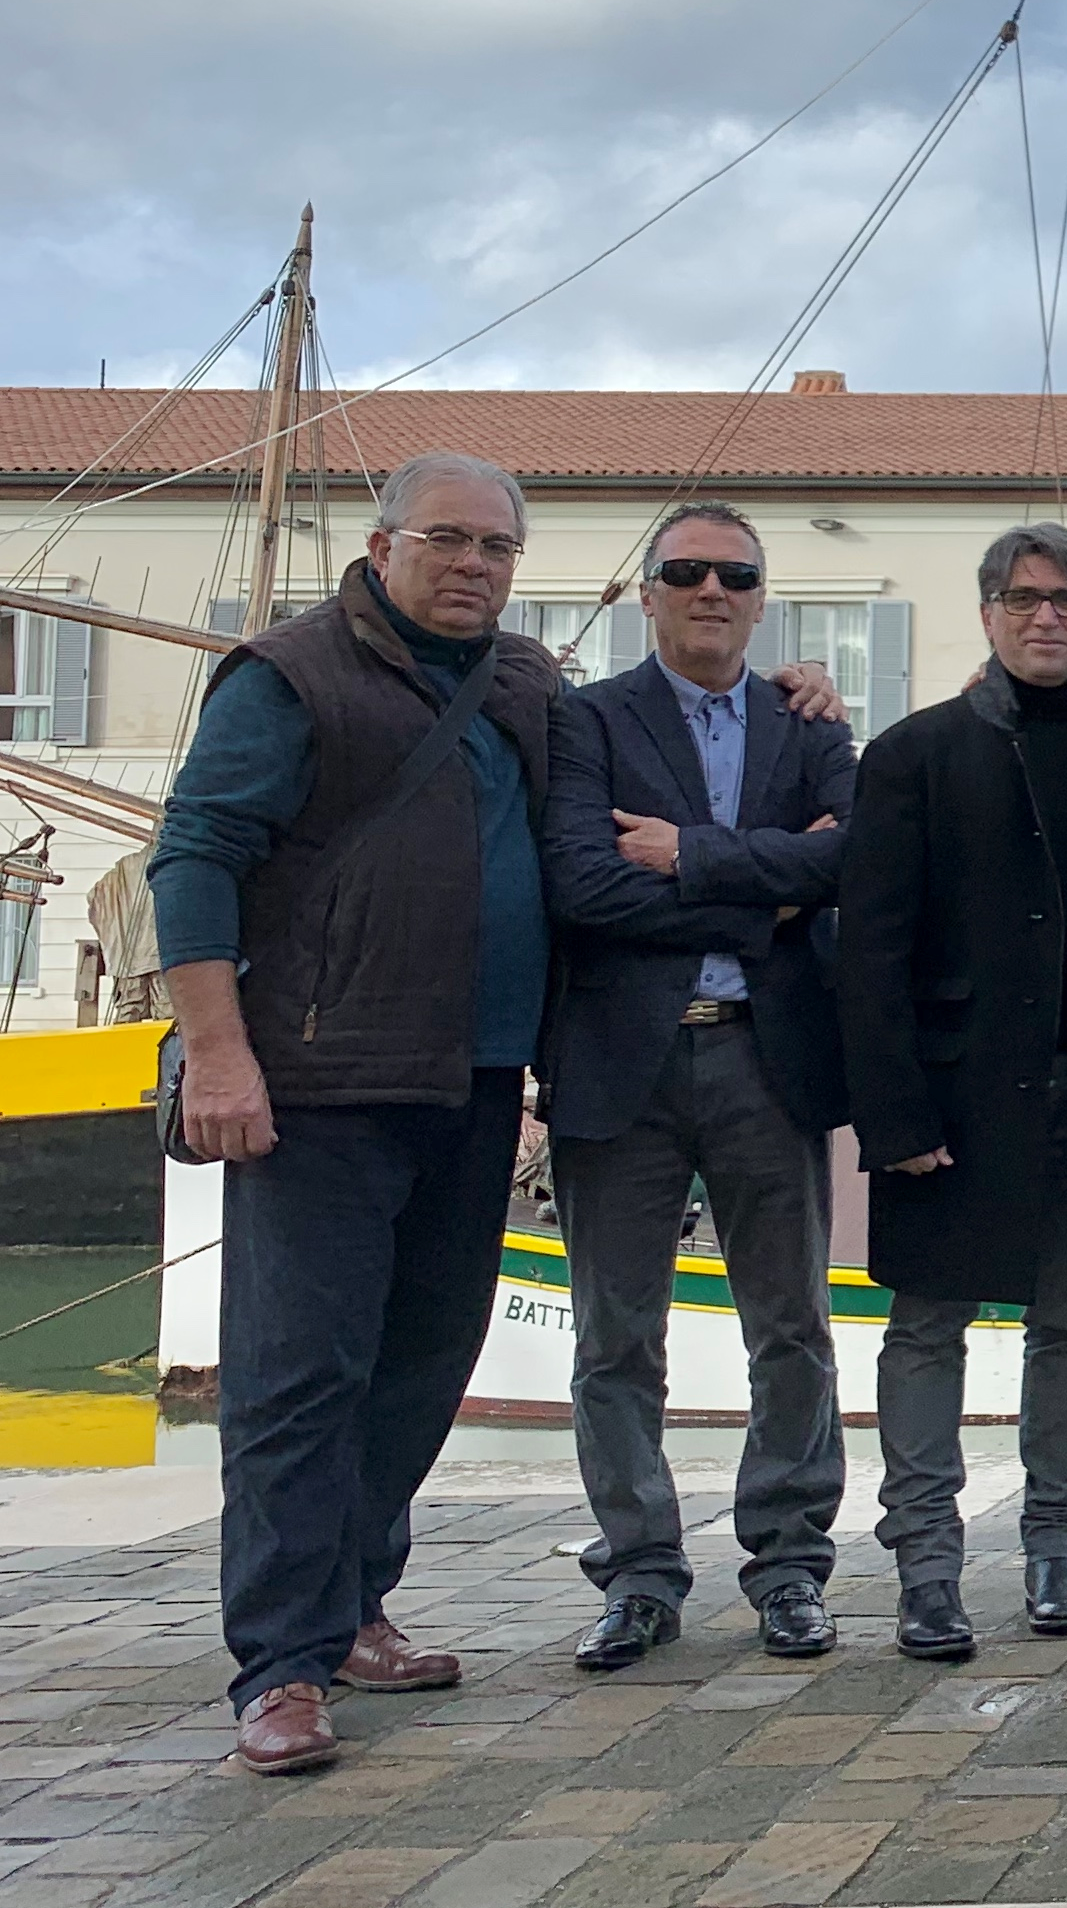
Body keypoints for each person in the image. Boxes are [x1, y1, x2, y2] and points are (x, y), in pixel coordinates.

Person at [153, 453, 566, 1775]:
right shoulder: (290, 674)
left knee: (423, 1364)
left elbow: (635, 769)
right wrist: (219, 1057)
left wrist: (800, 696)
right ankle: (276, 1666)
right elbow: (197, 856)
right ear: (383, 545)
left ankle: (350, 1607)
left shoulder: (522, 681)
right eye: (447, 540)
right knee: (297, 1376)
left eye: (495, 547)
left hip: (475, 1074)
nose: (472, 566)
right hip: (320, 1081)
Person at [838, 522, 1067, 1660]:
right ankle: (928, 1565)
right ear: (988, 611)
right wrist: (891, 1114)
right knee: (926, 1326)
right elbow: (872, 946)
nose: (1047, 614)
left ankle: (1055, 1546)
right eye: (1023, 596)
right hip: (948, 1092)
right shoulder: (910, 752)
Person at [538, 501, 858, 1672]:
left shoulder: (808, 720)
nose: (710, 589)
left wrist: (690, 854)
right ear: (649, 592)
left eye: (735, 573)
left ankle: (787, 1564)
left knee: (793, 1327)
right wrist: (766, 893)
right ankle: (638, 1569)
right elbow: (580, 884)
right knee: (615, 1335)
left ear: (763, 596)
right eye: (686, 571)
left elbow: (853, 855)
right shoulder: (586, 721)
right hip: (624, 1058)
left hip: (768, 1056)